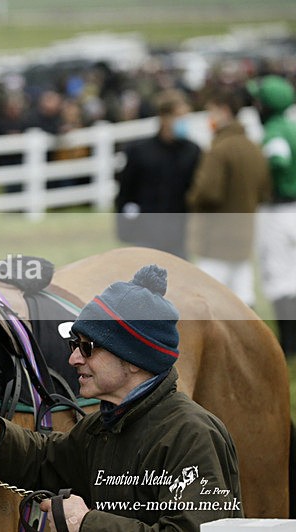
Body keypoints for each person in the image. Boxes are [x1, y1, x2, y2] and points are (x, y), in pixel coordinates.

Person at [0, 265, 242, 531]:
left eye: (87, 347)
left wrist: (85, 525)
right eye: (74, 346)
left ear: (133, 359)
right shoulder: (101, 428)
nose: (73, 359)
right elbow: (44, 460)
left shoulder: (193, 435)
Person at [186, 86, 270, 307]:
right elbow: (264, 191)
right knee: (243, 296)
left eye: (211, 111)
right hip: (244, 234)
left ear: (223, 111)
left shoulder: (220, 149)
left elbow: (206, 192)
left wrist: (191, 199)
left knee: (206, 298)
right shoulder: (253, 148)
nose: (209, 117)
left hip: (216, 236)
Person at [115, 89, 202, 258]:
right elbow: (125, 193)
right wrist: (124, 228)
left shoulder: (193, 151)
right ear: (164, 117)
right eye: (179, 117)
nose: (183, 122)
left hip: (179, 235)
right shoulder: (140, 152)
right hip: (146, 233)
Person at [247, 75, 296, 357]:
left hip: (278, 210)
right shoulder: (292, 126)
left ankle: (288, 346)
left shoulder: (275, 131)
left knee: (279, 279)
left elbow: (278, 160)